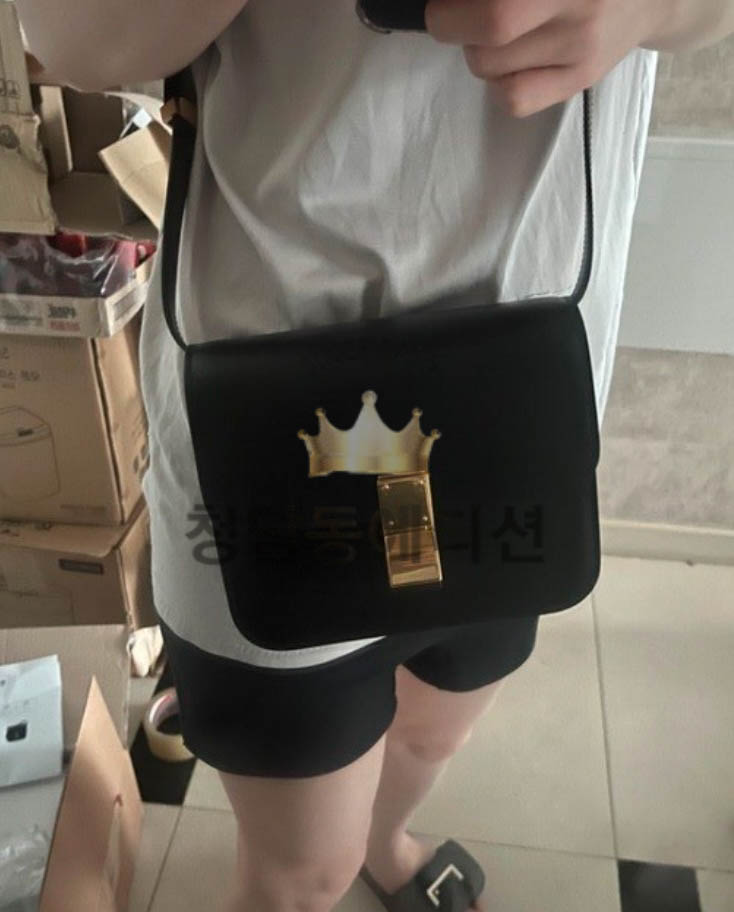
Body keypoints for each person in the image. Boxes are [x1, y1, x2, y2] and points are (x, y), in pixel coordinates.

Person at [19, 1, 733, 910]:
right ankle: (334, 866)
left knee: (436, 729)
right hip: (267, 414)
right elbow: (73, 41)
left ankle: (384, 839)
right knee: (298, 871)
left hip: (520, 403)